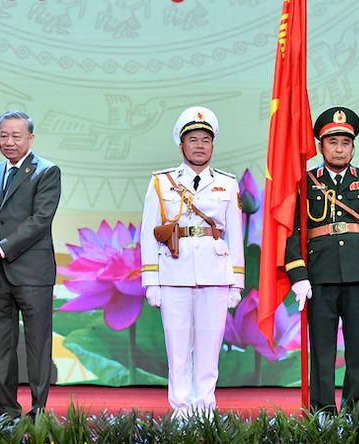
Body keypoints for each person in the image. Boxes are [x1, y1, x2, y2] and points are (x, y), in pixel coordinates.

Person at [286, 106, 359, 417]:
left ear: (353, 146)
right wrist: (299, 274)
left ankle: (354, 415)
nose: (340, 148)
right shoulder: (304, 181)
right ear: (321, 146)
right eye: (333, 142)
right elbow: (293, 231)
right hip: (320, 277)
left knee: (358, 352)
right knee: (322, 352)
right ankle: (323, 415)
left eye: (346, 142)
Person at [140, 106, 244, 418]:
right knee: (178, 348)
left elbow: (234, 236)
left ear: (213, 145)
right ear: (181, 145)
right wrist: (152, 281)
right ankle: (181, 409)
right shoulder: (161, 182)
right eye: (192, 139)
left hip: (215, 273)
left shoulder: (227, 183)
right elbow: (148, 233)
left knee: (209, 348)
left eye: (205, 140)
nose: (199, 145)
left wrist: (236, 282)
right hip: (174, 272)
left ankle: (205, 407)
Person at [0, 110, 61, 422]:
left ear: (30, 139)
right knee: (0, 349)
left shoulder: (47, 172)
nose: (9, 142)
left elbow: (39, 221)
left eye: (16, 136)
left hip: (32, 274)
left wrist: (1, 249)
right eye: (3, 135)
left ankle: (38, 412)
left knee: (38, 346)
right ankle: (7, 411)